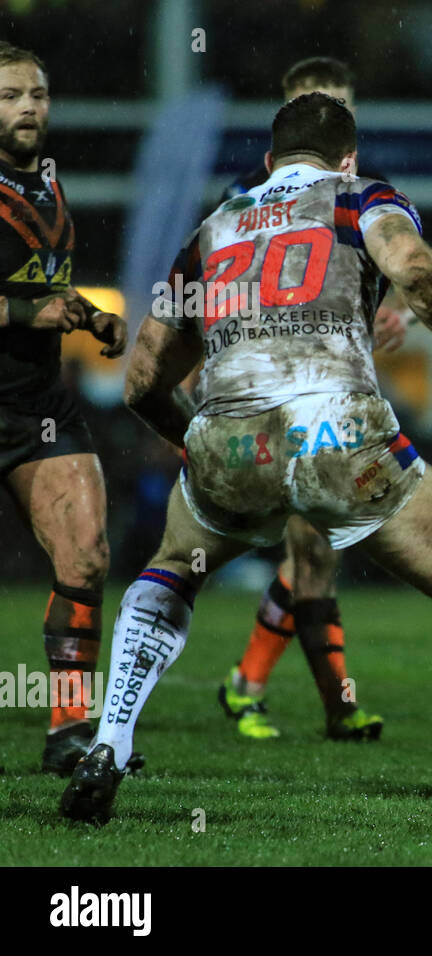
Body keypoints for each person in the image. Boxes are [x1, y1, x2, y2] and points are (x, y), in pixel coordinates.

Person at [60, 93, 432, 839]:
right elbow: (414, 268)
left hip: (231, 439)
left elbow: (140, 383)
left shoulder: (212, 228)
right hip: (338, 433)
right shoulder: (360, 197)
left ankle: (109, 742)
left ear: (268, 163)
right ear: (348, 158)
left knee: (172, 569)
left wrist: (202, 443)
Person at [217, 56, 411, 742]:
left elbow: (409, 275)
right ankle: (329, 703)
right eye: (313, 100)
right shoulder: (246, 198)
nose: (327, 111)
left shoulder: (364, 193)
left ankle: (250, 682)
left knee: (313, 550)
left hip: (338, 395)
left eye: (340, 100)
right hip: (273, 402)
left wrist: (401, 313)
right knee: (310, 550)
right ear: (287, 108)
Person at [0, 41, 129, 775]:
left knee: (86, 554)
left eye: (38, 95)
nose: (28, 108)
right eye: (12, 95)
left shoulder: (47, 185)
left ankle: (69, 731)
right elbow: (25, 305)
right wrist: (29, 317)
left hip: (37, 405)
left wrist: (85, 315)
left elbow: (41, 288)